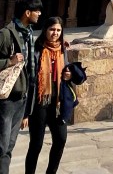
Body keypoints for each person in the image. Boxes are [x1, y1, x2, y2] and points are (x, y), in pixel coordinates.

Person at [0, 0, 42, 174]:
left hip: (21, 99)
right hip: (6, 99)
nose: (39, 14)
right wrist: (8, 62)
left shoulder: (29, 34)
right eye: (37, 10)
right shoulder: (6, 34)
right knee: (1, 147)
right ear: (27, 12)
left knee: (9, 146)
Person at [23, 16, 71, 174]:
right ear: (45, 30)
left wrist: (68, 75)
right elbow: (29, 80)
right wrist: (25, 113)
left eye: (58, 30)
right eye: (52, 29)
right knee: (36, 144)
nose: (55, 33)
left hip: (57, 103)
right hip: (39, 104)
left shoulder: (63, 50)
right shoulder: (36, 50)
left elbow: (67, 71)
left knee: (61, 139)